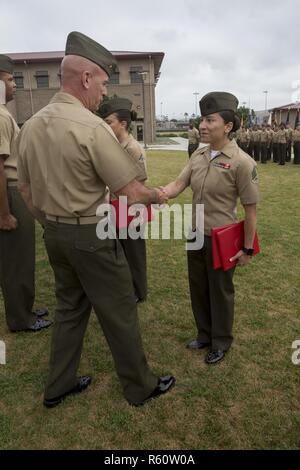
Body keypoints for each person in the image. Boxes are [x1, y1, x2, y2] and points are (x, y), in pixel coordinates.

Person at [16, 31, 175, 407]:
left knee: (69, 309)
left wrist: (50, 223)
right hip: (92, 232)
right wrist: (160, 196)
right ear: (86, 78)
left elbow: (24, 191)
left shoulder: (31, 125)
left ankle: (59, 384)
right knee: (119, 309)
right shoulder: (93, 127)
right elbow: (131, 193)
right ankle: (139, 386)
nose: (105, 93)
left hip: (54, 232)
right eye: (103, 83)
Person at [162, 92, 259, 365]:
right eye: (202, 119)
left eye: (210, 120)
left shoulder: (242, 162)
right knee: (198, 287)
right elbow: (178, 184)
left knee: (220, 290)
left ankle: (221, 341)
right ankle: (204, 334)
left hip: (221, 237)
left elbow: (250, 209)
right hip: (195, 234)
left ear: (228, 126)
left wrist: (247, 248)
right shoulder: (199, 155)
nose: (202, 125)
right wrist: (158, 193)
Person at [0, 54, 51, 332]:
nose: (14, 85)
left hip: (11, 191)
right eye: (9, 80)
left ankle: (24, 308)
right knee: (16, 261)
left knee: (20, 258)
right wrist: (5, 212)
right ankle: (21, 318)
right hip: (8, 192)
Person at [98, 97, 148, 303]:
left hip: (130, 207)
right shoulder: (116, 145)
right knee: (119, 250)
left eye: (109, 122)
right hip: (115, 205)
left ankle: (138, 292)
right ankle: (126, 287)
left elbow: (141, 180)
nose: (105, 126)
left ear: (123, 124)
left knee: (134, 253)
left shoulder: (132, 148)